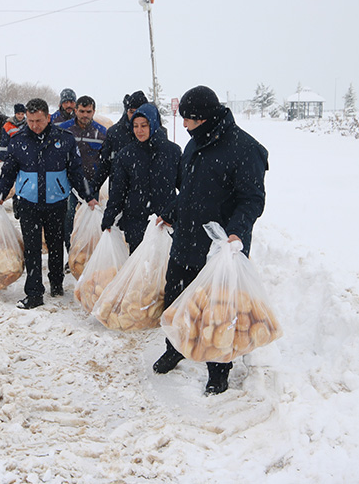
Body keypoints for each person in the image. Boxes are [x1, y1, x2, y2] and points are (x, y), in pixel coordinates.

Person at [154, 85, 268, 395]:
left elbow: (252, 199)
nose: (184, 124)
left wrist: (236, 233)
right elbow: (189, 192)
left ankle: (218, 368)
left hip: (219, 248)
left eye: (188, 119)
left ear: (203, 118)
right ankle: (175, 346)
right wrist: (171, 212)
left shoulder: (245, 149)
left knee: (218, 310)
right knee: (176, 299)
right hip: (185, 240)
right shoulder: (194, 144)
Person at [0, 98, 98, 309]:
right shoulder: (19, 139)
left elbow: (75, 171)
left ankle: (56, 283)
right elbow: (9, 170)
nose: (34, 125)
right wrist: (0, 193)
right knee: (32, 248)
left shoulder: (64, 139)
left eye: (38, 121)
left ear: (48, 118)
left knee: (56, 244)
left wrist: (88, 195)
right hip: (29, 202)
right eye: (30, 121)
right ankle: (33, 293)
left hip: (56, 201)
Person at [101, 102, 180, 253]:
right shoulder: (126, 155)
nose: (139, 130)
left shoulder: (172, 152)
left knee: (163, 271)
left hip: (165, 222)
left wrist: (173, 212)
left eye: (144, 125)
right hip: (136, 221)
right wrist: (109, 216)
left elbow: (185, 187)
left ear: (154, 124)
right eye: (135, 126)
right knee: (139, 272)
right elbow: (118, 190)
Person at [57, 95, 107, 254]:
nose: (85, 115)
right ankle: (71, 253)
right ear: (76, 111)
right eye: (81, 111)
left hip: (92, 182)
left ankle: (89, 254)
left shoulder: (101, 132)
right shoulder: (63, 129)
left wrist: (98, 181)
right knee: (69, 218)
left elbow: (105, 160)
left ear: (94, 112)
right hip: (68, 183)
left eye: (88, 111)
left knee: (91, 218)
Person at [94, 91, 145, 192]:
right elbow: (105, 164)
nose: (134, 115)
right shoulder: (114, 133)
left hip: (145, 193)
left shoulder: (156, 134)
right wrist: (92, 189)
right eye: (131, 111)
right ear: (126, 111)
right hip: (119, 192)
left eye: (138, 111)